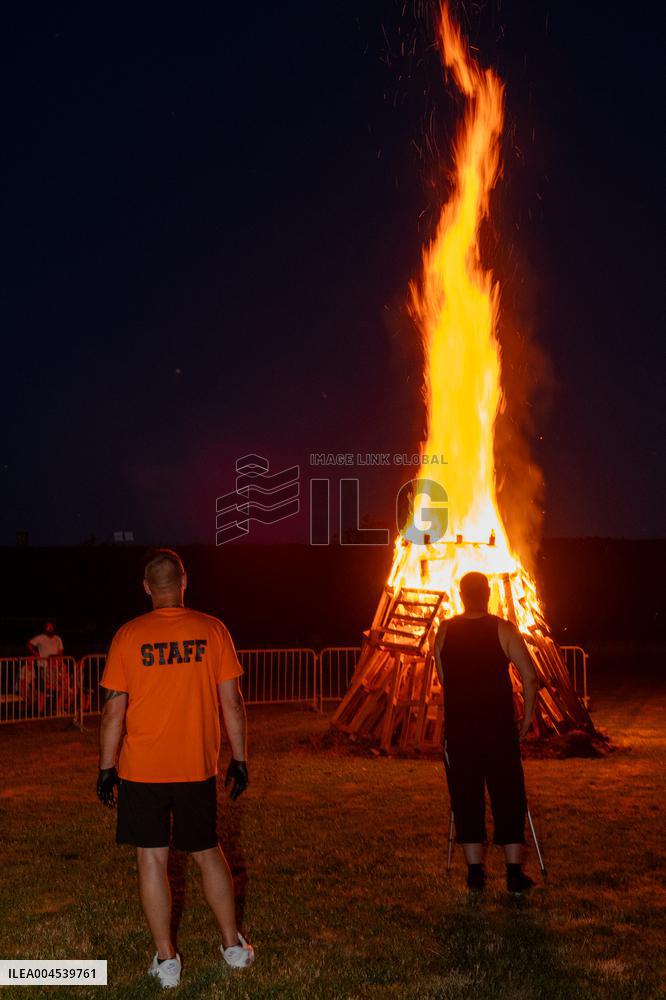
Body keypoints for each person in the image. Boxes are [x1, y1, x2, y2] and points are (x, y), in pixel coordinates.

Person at [96, 548, 255, 989]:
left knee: (152, 859)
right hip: (194, 767)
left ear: (147, 587)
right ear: (185, 582)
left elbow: (113, 713)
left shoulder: (128, 636)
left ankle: (167, 961)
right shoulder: (212, 630)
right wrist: (239, 758)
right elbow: (232, 703)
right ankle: (233, 947)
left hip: (141, 771)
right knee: (207, 852)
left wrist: (106, 768)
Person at [434, 571, 539, 895]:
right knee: (508, 796)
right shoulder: (503, 628)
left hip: (461, 731)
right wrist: (526, 717)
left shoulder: (445, 630)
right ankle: (513, 874)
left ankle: (475, 874)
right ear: (488, 593)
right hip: (497, 730)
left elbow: (443, 677)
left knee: (466, 797)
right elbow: (530, 676)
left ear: (461, 595)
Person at [27, 621, 64, 716]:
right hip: (42, 666)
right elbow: (29, 644)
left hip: (55, 667)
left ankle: (56, 710)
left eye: (51, 627)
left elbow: (60, 652)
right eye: (47, 627)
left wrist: (60, 663)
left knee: (58, 688)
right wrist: (35, 654)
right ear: (45, 629)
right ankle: (39, 712)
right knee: (42, 690)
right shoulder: (40, 637)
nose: (49, 629)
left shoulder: (58, 638)